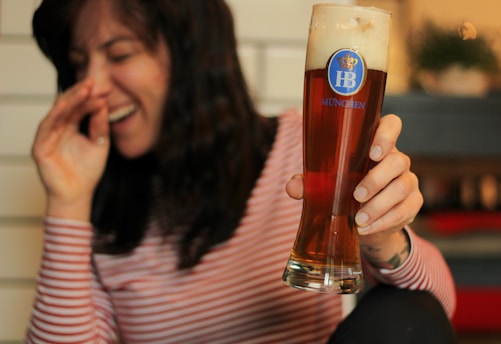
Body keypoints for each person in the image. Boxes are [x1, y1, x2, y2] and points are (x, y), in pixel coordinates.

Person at [27, 0, 457, 343]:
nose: (91, 84)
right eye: (79, 62)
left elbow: (434, 311)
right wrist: (68, 200)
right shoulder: (104, 204)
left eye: (119, 54)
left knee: (403, 313)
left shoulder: (303, 149)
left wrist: (382, 236)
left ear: (191, 54)